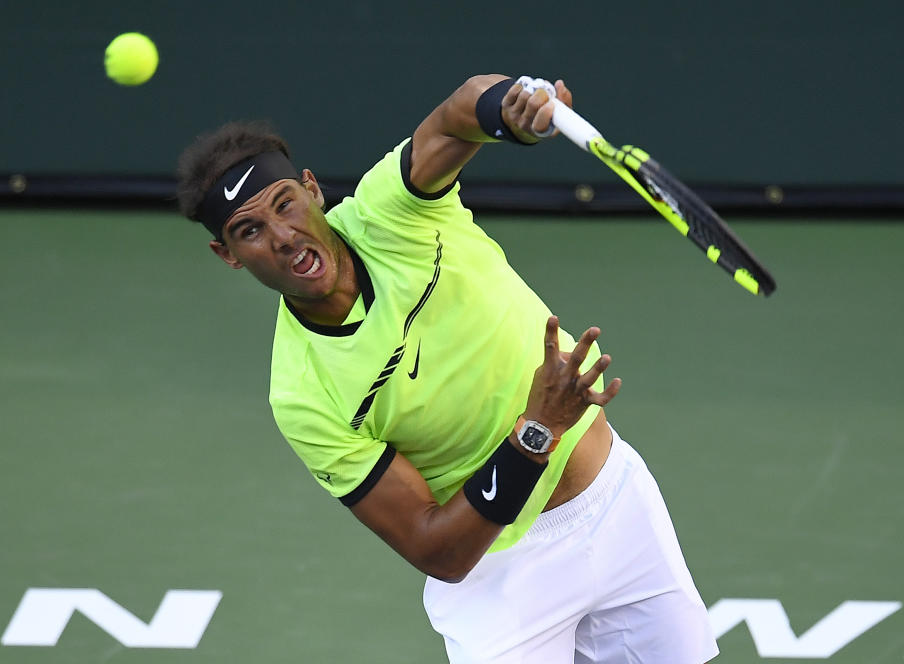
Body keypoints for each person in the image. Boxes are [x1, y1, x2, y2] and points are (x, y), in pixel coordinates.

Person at [176, 74, 719, 663]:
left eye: (285, 204)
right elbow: (438, 549)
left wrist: (509, 109)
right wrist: (536, 430)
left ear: (312, 189)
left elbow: (458, 112)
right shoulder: (302, 394)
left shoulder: (391, 212)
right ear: (227, 255)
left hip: (616, 507)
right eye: (249, 231)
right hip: (500, 583)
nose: (281, 237)